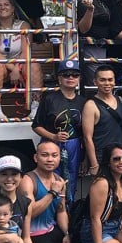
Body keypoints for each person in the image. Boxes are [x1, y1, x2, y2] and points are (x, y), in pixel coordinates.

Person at [32, 59, 85, 204]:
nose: (70, 78)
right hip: (51, 144)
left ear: (79, 78)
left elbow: (85, 131)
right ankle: (49, 209)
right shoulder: (49, 99)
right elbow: (36, 125)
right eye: (66, 75)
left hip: (74, 145)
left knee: (71, 179)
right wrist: (53, 136)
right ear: (59, 78)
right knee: (50, 177)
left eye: (74, 75)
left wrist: (85, 156)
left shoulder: (83, 101)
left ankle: (68, 210)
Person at [0, 0, 43, 121]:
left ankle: (35, 107)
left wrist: (17, 68)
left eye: (6, 4)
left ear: (12, 8)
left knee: (33, 65)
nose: (3, 7)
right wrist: (13, 69)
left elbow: (26, 51)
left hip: (20, 64)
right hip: (1, 67)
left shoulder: (23, 25)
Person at [20, 139, 71, 243]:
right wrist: (52, 193)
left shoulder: (59, 180)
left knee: (75, 235)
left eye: (54, 155)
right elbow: (29, 213)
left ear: (59, 158)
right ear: (36, 158)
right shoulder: (28, 180)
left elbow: (61, 210)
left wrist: (67, 234)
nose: (50, 159)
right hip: (30, 233)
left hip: (49, 229)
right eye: (44, 155)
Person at [82, 65, 122, 178]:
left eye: (110, 79)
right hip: (102, 158)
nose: (107, 83)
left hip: (120, 157)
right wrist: (94, 164)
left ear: (114, 81)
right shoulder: (90, 105)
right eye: (102, 80)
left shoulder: (120, 100)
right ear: (95, 82)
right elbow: (87, 138)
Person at [77, 0, 114, 85]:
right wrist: (90, 10)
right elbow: (83, 29)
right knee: (97, 80)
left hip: (101, 46)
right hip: (91, 46)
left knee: (102, 77)